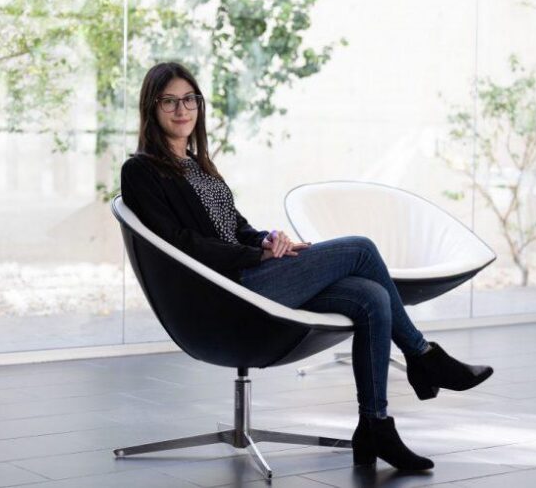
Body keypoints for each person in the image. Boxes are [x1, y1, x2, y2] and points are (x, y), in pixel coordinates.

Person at [120, 61, 494, 471]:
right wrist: (257, 257)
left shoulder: (199, 164)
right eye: (169, 101)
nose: (182, 109)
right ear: (151, 108)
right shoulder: (140, 170)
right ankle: (423, 357)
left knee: (371, 297)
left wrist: (268, 240)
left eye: (189, 99)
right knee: (361, 249)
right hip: (228, 291)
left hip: (250, 274)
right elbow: (180, 243)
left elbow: (236, 228)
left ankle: (375, 427)